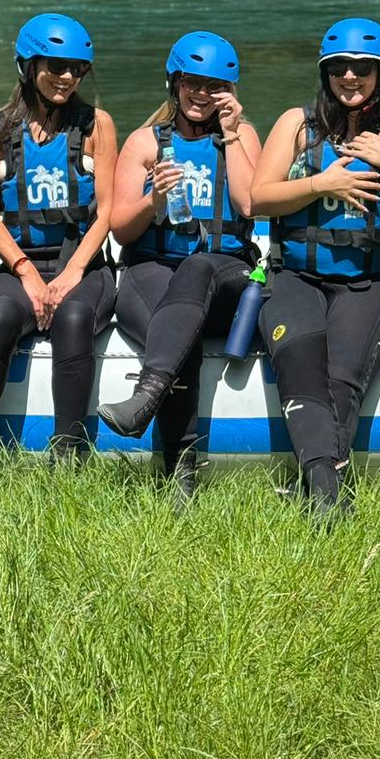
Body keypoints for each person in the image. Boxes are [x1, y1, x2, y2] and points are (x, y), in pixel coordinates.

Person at [250, 18, 380, 518]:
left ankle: (321, 491)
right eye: (340, 69)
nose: (351, 78)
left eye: (363, 69)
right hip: (296, 275)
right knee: (299, 364)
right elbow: (257, 200)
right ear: (326, 72)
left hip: (369, 282)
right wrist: (319, 185)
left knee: (340, 378)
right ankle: (329, 492)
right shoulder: (296, 125)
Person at [97, 31, 261, 498]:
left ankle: (146, 400)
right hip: (152, 270)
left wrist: (230, 134)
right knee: (176, 333)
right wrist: (155, 199)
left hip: (225, 275)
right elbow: (122, 230)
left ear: (229, 93)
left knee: (198, 267)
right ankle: (181, 473)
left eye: (214, 86)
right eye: (192, 82)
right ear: (174, 81)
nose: (201, 94)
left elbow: (250, 206)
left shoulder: (242, 135)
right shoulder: (146, 143)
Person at [0, 13, 117, 470]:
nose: (67, 78)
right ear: (27, 66)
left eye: (77, 69)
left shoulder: (96, 124)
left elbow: (106, 213)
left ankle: (69, 452)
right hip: (22, 261)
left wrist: (71, 274)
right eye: (56, 67)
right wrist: (24, 271)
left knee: (73, 316)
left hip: (83, 264)